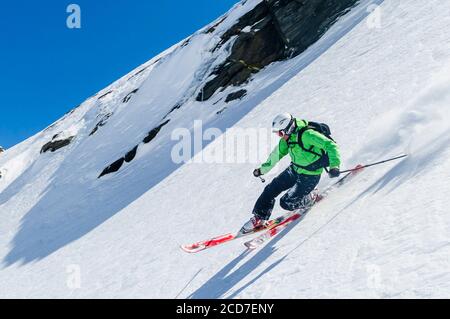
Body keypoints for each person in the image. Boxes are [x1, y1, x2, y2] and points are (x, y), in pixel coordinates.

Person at [241, 113, 341, 233]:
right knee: (270, 190)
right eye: (277, 133)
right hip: (294, 169)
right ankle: (259, 218)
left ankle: (309, 198)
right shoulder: (287, 139)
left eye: (281, 133)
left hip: (310, 175)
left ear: (289, 128)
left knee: (286, 202)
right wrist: (262, 170)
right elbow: (276, 154)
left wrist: (334, 166)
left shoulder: (307, 135)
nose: (279, 136)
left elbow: (330, 145)